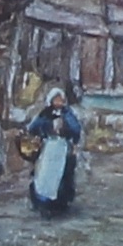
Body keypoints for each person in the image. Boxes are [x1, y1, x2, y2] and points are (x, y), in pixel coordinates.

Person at [26, 87, 82, 216]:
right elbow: (33, 127)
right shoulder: (45, 113)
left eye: (61, 100)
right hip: (48, 147)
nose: (59, 102)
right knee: (44, 172)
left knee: (61, 173)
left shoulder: (67, 113)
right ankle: (43, 199)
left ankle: (61, 200)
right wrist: (40, 134)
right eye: (56, 100)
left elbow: (76, 129)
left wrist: (72, 138)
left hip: (62, 146)